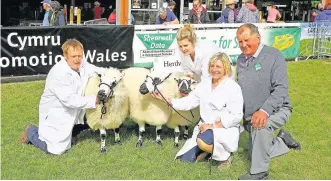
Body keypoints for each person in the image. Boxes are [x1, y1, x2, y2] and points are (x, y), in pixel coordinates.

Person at [153, 53, 243, 168]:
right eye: (212, 66)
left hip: (223, 129)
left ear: (226, 68)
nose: (214, 70)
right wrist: (166, 99)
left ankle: (225, 156)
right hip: (204, 128)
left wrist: (212, 126)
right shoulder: (205, 83)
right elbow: (189, 101)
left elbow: (236, 116)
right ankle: (208, 152)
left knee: (202, 141)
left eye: (218, 67)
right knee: (184, 159)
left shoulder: (233, 87)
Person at [19, 39, 107, 155]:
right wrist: (94, 100)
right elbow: (70, 100)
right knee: (56, 150)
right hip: (56, 113)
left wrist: (113, 74)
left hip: (72, 111)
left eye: (80, 56)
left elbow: (97, 70)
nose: (77, 59)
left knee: (73, 132)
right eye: (73, 56)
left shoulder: (82, 63)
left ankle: (77, 131)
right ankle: (31, 132)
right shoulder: (58, 73)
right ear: (65, 56)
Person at [236, 24, 301, 180]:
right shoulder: (240, 60)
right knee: (255, 152)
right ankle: (283, 141)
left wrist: (264, 111)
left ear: (258, 37)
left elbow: (281, 89)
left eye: (246, 40)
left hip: (278, 109)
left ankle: (259, 173)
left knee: (260, 126)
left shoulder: (274, 55)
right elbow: (241, 91)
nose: (243, 45)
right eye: (240, 42)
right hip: (252, 115)